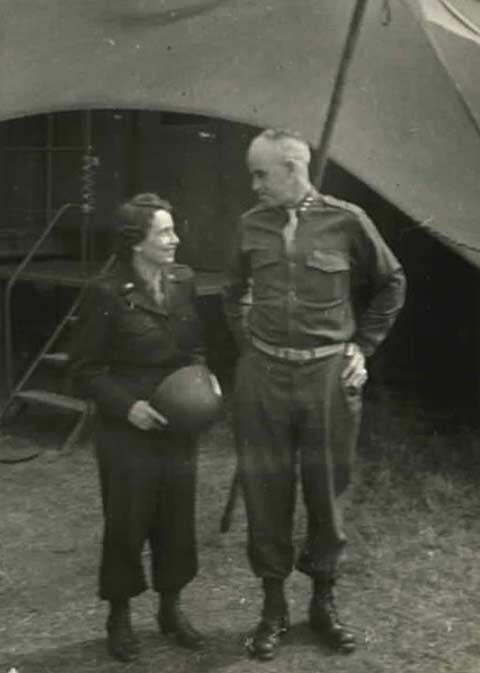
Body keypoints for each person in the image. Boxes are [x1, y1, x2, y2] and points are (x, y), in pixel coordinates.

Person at [223, 129, 406, 661]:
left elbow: (392, 282)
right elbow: (232, 292)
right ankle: (273, 609)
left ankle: (322, 606)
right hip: (265, 380)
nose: (253, 185)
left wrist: (363, 348)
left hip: (327, 379)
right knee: (266, 491)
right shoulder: (249, 225)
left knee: (326, 492)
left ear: (292, 168)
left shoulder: (347, 220)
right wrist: (248, 349)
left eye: (261, 174)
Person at [69, 193, 208, 662]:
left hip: (178, 423)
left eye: (172, 230)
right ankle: (120, 615)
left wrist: (203, 384)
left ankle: (171, 610)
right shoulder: (107, 293)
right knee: (127, 522)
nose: (175, 239)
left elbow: (195, 349)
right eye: (164, 232)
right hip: (128, 428)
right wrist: (128, 408)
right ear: (137, 242)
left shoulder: (183, 282)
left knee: (177, 519)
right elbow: (83, 369)